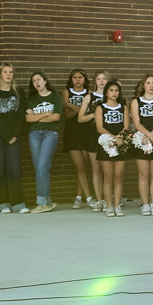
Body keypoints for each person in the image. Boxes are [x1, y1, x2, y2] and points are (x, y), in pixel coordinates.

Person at [0, 63, 28, 214]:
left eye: (11, 72)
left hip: (14, 135)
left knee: (14, 169)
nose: (9, 74)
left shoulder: (19, 92)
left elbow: (21, 114)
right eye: (5, 72)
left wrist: (14, 134)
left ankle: (18, 202)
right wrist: (7, 135)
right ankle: (3, 203)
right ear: (0, 74)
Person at [23, 71, 65, 213]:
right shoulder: (31, 99)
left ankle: (42, 202)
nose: (37, 83)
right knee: (40, 168)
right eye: (34, 81)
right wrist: (46, 113)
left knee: (41, 167)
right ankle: (47, 200)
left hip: (50, 134)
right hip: (34, 134)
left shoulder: (55, 97)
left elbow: (56, 118)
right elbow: (28, 120)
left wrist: (36, 116)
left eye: (39, 80)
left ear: (45, 81)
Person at [90, 79, 130, 216]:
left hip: (120, 144)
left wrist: (120, 138)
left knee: (118, 176)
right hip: (106, 144)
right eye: (111, 90)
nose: (114, 93)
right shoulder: (100, 108)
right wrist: (114, 138)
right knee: (108, 176)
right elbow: (99, 128)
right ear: (106, 92)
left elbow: (126, 126)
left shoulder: (123, 107)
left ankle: (117, 205)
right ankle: (108, 206)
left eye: (116, 90)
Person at [129, 74, 153, 215]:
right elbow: (136, 122)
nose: (151, 86)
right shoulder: (135, 102)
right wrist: (147, 135)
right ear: (143, 85)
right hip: (141, 140)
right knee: (143, 175)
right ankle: (145, 204)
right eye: (148, 83)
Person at [62, 69, 96, 209]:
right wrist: (82, 108)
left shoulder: (89, 93)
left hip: (86, 131)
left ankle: (78, 196)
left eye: (80, 77)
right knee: (79, 166)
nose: (77, 80)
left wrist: (70, 105)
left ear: (84, 79)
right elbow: (67, 115)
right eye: (75, 77)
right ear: (71, 79)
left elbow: (86, 113)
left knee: (83, 167)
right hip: (72, 132)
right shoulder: (66, 91)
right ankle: (88, 198)